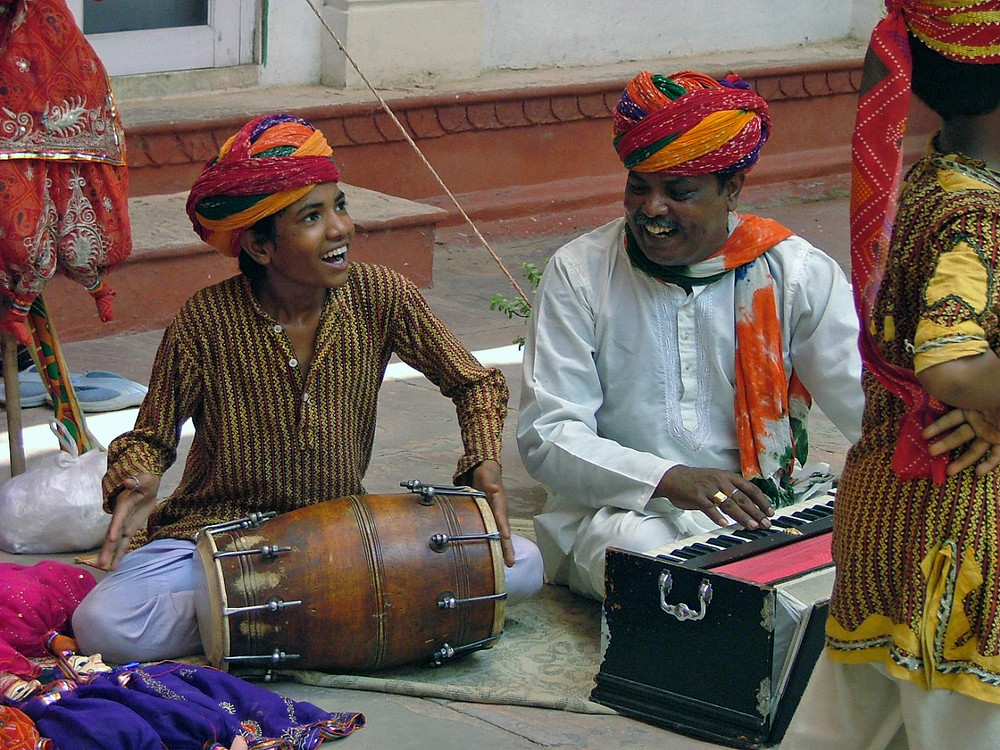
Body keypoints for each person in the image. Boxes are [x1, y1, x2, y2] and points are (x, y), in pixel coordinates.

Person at [71, 113, 543, 664]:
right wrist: (139, 474)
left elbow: (475, 382)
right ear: (262, 246)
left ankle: (264, 617)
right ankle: (323, 611)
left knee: (523, 565)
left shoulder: (380, 295)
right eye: (312, 217)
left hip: (340, 537)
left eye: (339, 205)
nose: (341, 229)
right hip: (216, 536)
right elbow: (153, 433)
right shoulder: (205, 320)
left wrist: (483, 461)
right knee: (103, 623)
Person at [516, 69, 867, 601]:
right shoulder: (580, 271)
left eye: (678, 192)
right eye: (639, 186)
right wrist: (668, 479)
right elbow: (550, 434)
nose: (652, 209)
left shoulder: (795, 274)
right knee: (655, 574)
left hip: (769, 503)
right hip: (624, 514)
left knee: (872, 555)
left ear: (732, 189)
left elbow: (864, 402)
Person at [782, 2, 1000, 748]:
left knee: (848, 729)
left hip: (889, 510)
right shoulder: (980, 214)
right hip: (957, 535)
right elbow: (953, 361)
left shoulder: (937, 177)